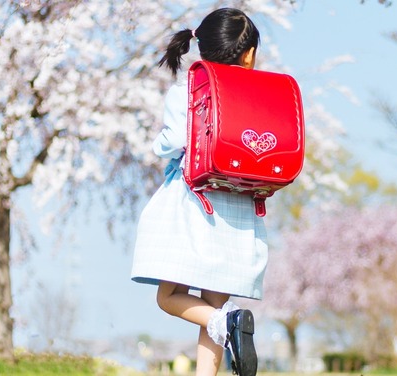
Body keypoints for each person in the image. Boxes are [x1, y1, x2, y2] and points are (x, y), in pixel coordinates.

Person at [131, 8, 266, 376]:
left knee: (168, 297)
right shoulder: (257, 92)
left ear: (201, 48)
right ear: (249, 54)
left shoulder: (188, 88)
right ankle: (216, 350)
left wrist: (160, 145)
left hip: (194, 201)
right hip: (238, 206)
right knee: (217, 307)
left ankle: (229, 322)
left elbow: (174, 141)